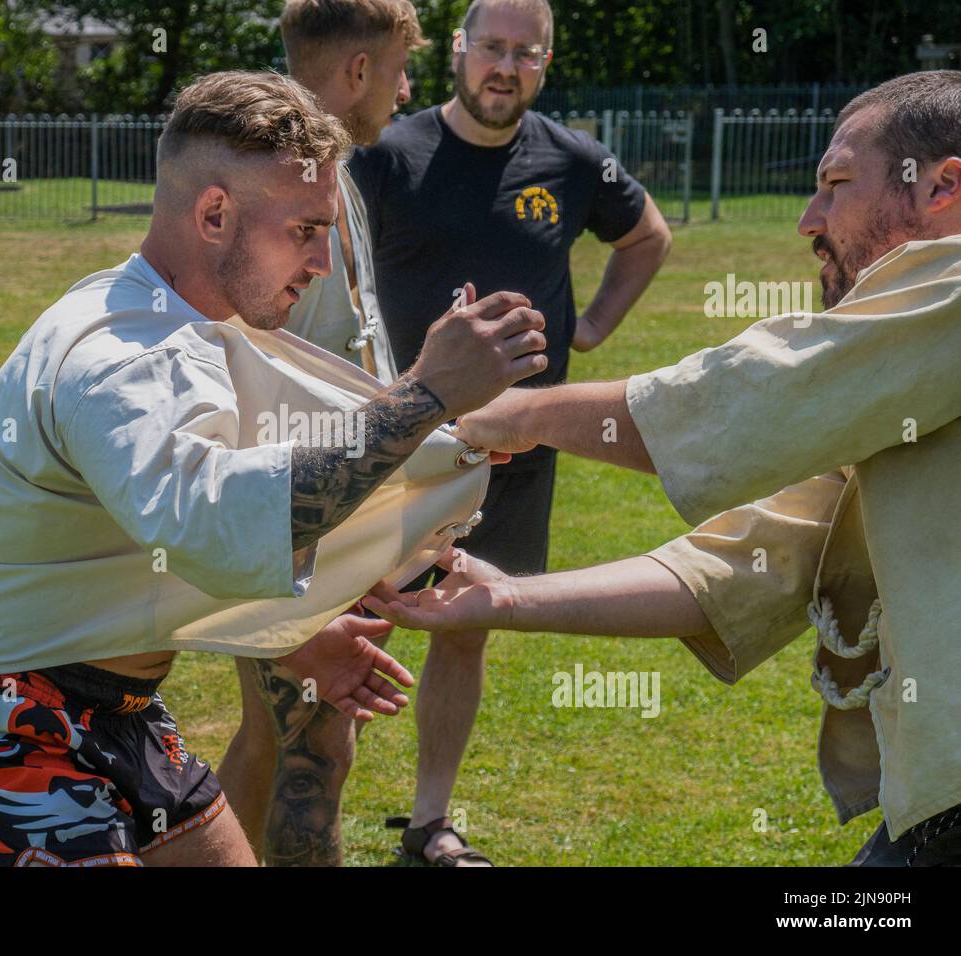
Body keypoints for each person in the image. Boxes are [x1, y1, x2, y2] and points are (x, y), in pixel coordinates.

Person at [0, 69, 549, 867]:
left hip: (120, 710)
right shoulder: (121, 359)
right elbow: (208, 521)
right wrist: (426, 394)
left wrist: (292, 635)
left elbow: (150, 544)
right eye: (305, 230)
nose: (319, 262)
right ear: (213, 214)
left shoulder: (189, 328)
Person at [366, 70, 961, 866]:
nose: (807, 220)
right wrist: (501, 596)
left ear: (944, 187)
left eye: (837, 185)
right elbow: (752, 559)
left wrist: (512, 410)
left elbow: (753, 404)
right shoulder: (898, 383)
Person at [346, 0, 672, 864]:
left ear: (547, 61)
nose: (505, 67)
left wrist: (591, 329)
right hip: (388, 441)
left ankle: (429, 825)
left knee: (463, 624)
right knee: (338, 622)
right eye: (491, 47)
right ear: (459, 49)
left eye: (525, 53)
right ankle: (307, 827)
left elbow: (647, 237)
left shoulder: (572, 162)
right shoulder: (388, 154)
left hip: (512, 456)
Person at [217, 0, 431, 868]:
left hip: (317, 503)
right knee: (317, 748)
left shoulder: (327, 175)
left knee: (275, 741)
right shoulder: (288, 188)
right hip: (295, 504)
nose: (406, 91)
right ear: (355, 72)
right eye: (398, 70)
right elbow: (258, 365)